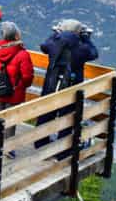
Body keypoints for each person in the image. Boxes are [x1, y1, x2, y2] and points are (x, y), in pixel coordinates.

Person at [36, 19, 99, 155]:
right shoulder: (81, 48)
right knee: (68, 116)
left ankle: (40, 143)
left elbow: (43, 46)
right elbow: (94, 53)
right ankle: (63, 151)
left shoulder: (54, 43)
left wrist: (55, 34)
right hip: (71, 87)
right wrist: (86, 39)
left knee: (46, 112)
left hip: (51, 84)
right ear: (78, 32)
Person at [0, 21, 34, 158]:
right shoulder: (22, 54)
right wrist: (21, 86)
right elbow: (27, 76)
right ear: (15, 35)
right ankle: (8, 148)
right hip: (14, 91)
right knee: (11, 119)